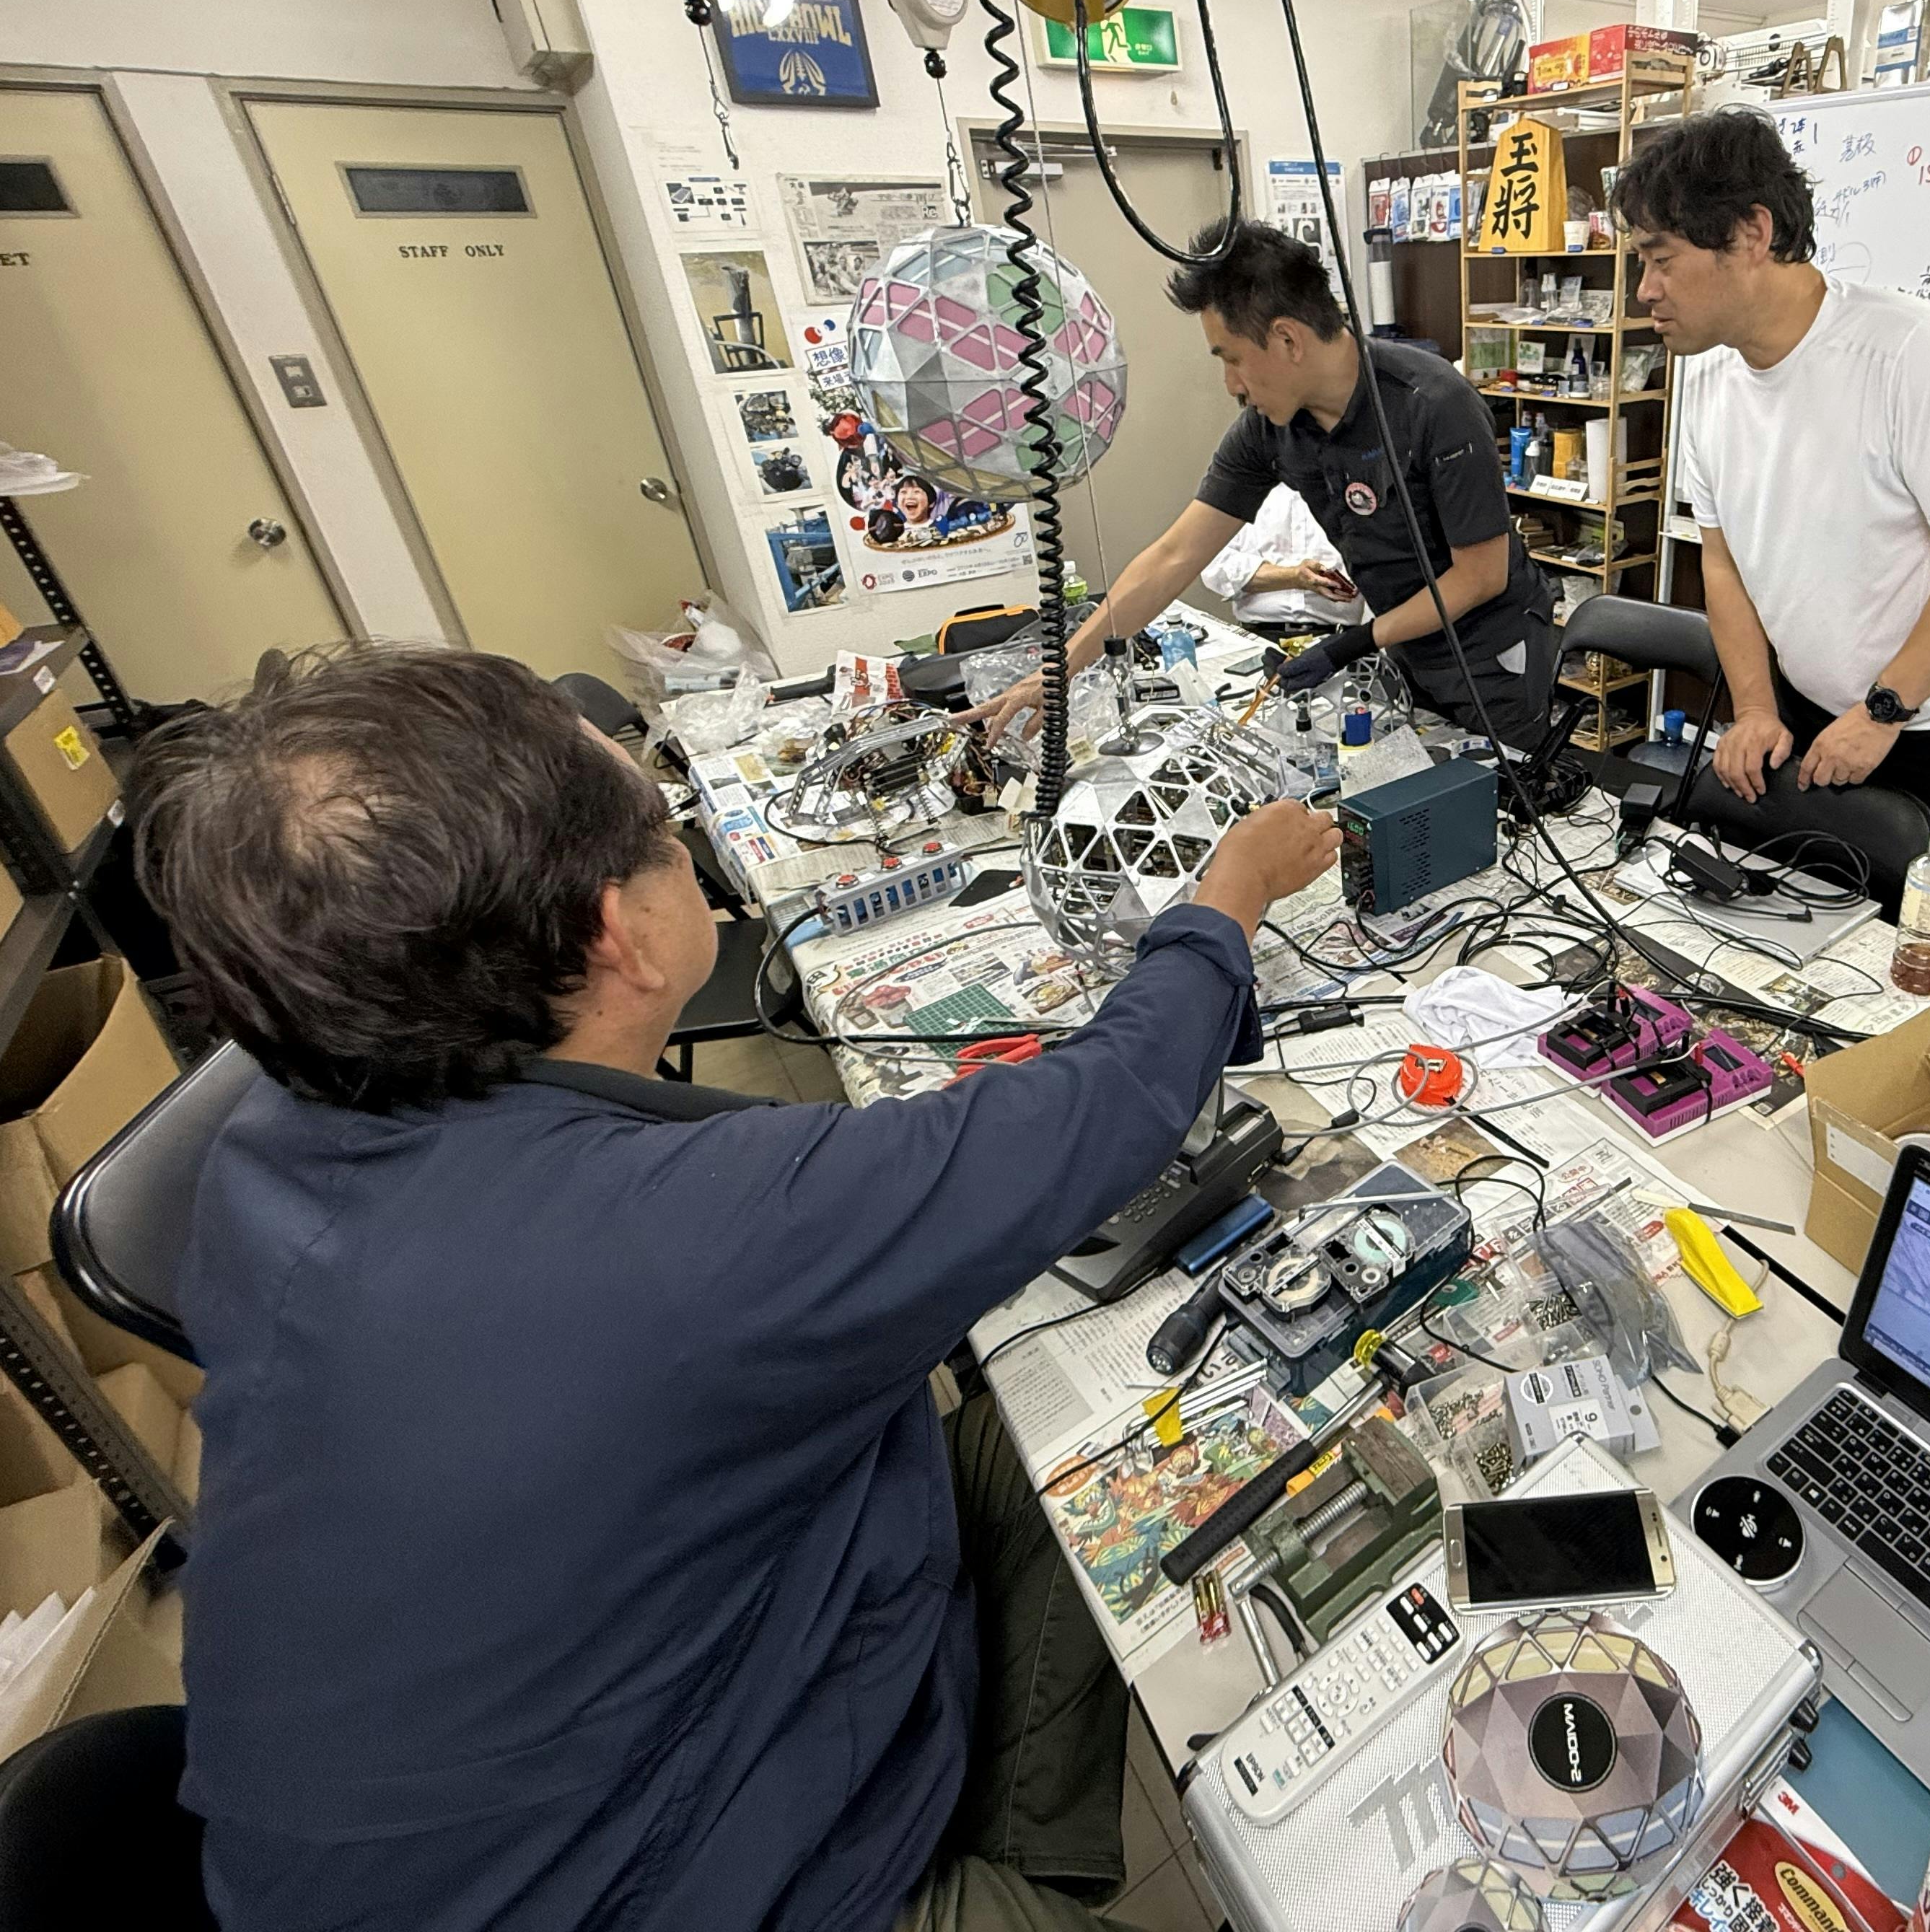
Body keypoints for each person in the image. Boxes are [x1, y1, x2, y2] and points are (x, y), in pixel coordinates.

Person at [132, 645, 1338, 1932]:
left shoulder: (268, 1147)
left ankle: (1015, 1837)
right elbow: (1109, 1107)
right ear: (620, 934)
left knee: (1083, 1414)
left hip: (566, 1769)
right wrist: (1228, 897)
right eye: (668, 828)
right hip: (686, 1886)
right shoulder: (681, 1241)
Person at [1608, 108, 1930, 967]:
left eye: (1661, 259)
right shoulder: (1712, 381)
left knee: (1929, 962)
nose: (1644, 290)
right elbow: (1724, 563)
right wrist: (1756, 708)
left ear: (1750, 234)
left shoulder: (1906, 353)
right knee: (1798, 931)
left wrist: (1883, 711)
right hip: (1808, 704)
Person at [975, 221, 1559, 749]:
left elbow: (1481, 576)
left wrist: (1352, 643)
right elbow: (1175, 555)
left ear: (1287, 340)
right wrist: (1062, 670)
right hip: (1405, 645)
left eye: (1231, 358)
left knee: (1509, 804)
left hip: (1493, 654)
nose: (1230, 384)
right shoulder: (1270, 429)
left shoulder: (1432, 404)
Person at [1199, 483, 1369, 635]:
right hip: (1259, 637)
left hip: (1340, 640)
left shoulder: (1357, 492)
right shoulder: (1243, 491)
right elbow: (1214, 567)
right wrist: (1294, 577)